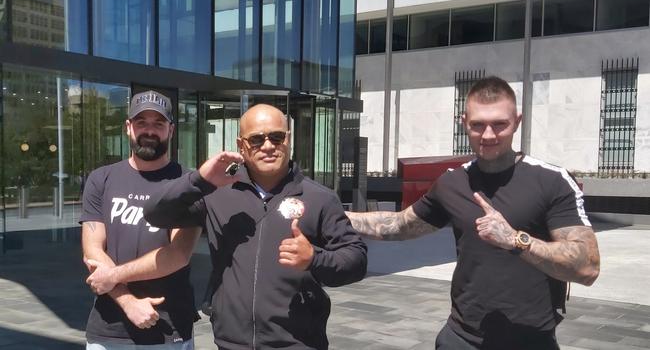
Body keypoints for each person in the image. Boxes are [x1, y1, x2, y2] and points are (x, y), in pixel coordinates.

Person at [346, 76, 600, 350]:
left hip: (530, 339)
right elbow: (399, 225)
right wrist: (333, 214)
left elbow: (588, 267)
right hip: (461, 339)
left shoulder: (551, 181)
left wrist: (516, 240)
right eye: (478, 124)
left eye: (499, 124)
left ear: (517, 121)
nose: (488, 135)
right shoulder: (453, 183)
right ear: (464, 122)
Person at [143, 104, 367, 350]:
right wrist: (198, 179)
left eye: (276, 136)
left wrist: (315, 258)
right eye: (257, 139)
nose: (268, 146)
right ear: (241, 145)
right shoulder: (216, 193)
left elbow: (356, 259)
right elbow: (155, 214)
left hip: (298, 343)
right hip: (231, 343)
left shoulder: (319, 198)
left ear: (288, 139)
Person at [80, 90, 201, 350]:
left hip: (168, 327)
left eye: (158, 124)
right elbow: (92, 251)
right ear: (128, 127)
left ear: (171, 129)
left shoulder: (187, 184)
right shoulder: (101, 179)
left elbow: (178, 255)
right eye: (141, 122)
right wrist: (127, 302)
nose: (149, 130)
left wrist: (112, 276)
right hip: (108, 329)